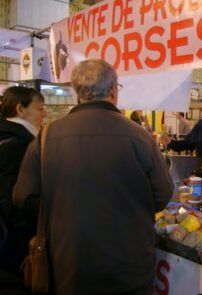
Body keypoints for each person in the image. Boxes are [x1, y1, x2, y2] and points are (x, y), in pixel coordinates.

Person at [13, 59, 174, 295]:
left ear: (78, 92)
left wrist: (61, 214)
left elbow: (23, 198)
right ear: (112, 90)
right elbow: (163, 194)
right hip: (129, 265)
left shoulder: (46, 138)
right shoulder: (139, 137)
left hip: (67, 263)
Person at [0, 86, 46, 288]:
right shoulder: (19, 144)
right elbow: (10, 197)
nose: (43, 114)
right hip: (15, 239)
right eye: (39, 108)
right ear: (20, 109)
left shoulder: (8, 137)